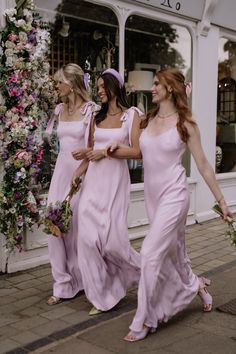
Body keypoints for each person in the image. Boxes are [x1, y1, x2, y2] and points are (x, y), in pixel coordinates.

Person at [123, 68, 232, 341]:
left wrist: (222, 200)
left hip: (175, 195)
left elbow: (204, 165)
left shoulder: (186, 124)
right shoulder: (146, 120)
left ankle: (144, 320)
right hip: (152, 197)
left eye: (158, 84)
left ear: (171, 88)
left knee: (148, 253)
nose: (153, 88)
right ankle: (196, 286)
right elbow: (136, 152)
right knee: (172, 255)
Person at [72, 68, 143, 315]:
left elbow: (137, 152)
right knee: (87, 240)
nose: (99, 91)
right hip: (93, 182)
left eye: (103, 86)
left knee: (114, 245)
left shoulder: (131, 115)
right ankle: (101, 295)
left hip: (115, 183)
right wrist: (78, 171)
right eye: (98, 86)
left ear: (115, 87)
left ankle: (152, 272)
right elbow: (91, 149)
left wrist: (105, 152)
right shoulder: (95, 116)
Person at [46, 63, 98, 305]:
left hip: (80, 174)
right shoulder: (58, 110)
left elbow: (93, 148)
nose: (57, 86)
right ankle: (62, 283)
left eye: (60, 82)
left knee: (75, 227)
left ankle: (80, 280)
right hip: (60, 171)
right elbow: (50, 140)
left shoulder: (90, 111)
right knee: (54, 225)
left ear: (72, 85)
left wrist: (81, 169)